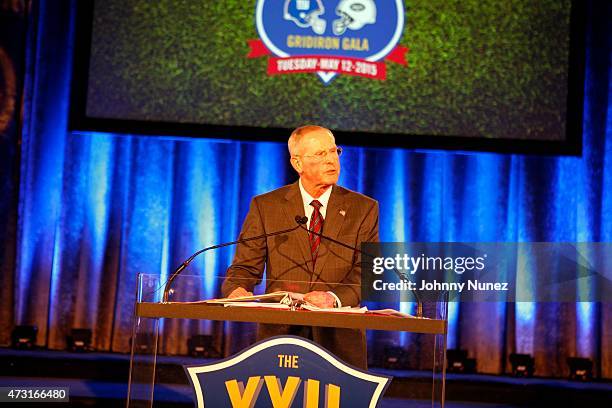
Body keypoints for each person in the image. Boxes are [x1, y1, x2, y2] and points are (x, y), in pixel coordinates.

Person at [221, 125, 379, 369]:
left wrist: (333, 298)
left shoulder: (363, 208)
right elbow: (245, 266)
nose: (331, 160)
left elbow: (368, 269)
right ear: (297, 163)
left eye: (333, 151)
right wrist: (237, 289)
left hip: (340, 340)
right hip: (281, 336)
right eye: (319, 154)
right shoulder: (267, 206)